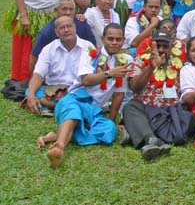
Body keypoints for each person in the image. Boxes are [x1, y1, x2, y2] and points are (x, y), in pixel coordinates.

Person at [36, 24, 132, 168]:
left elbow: (119, 93)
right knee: (74, 113)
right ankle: (59, 147)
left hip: (95, 110)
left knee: (108, 131)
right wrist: (109, 74)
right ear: (102, 39)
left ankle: (55, 135)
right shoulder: (90, 53)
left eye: (118, 39)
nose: (114, 42)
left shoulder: (126, 60)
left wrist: (112, 121)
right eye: (110, 38)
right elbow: (86, 80)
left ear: (123, 40)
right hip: (75, 98)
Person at [122, 29, 186, 160]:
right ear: (151, 45)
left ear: (171, 46)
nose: (161, 49)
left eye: (165, 46)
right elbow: (135, 86)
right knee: (129, 107)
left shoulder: (180, 62)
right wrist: (151, 67)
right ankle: (151, 139)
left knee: (184, 119)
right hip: (145, 108)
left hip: (169, 112)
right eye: (158, 45)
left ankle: (137, 131)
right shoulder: (140, 60)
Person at [25, 16, 94, 115]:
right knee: (30, 91)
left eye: (69, 26)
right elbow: (38, 74)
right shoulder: (48, 49)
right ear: (56, 32)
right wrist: (31, 95)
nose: (66, 30)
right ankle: (71, 107)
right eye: (62, 28)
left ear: (75, 28)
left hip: (77, 90)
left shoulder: (88, 46)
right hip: (53, 91)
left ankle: (51, 104)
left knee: (88, 96)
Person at [31, 0, 96, 74]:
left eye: (71, 9)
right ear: (56, 11)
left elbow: (93, 48)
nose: (68, 13)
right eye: (64, 9)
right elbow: (34, 57)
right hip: (55, 77)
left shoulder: (82, 24)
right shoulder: (46, 32)